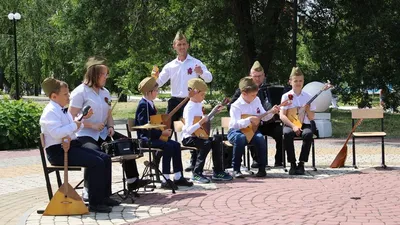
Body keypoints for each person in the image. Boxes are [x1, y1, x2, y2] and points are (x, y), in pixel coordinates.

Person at [69, 57, 149, 196]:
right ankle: (88, 190)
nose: (107, 77)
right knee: (94, 152)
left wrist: (110, 126)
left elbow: (109, 114)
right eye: (104, 74)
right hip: (84, 134)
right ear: (95, 74)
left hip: (103, 132)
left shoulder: (105, 92)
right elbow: (70, 118)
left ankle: (132, 180)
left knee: (126, 143)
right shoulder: (80, 92)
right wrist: (91, 125)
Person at [39, 77, 113, 213]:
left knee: (105, 158)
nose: (69, 96)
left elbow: (72, 127)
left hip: (70, 146)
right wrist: (75, 125)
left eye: (69, 93)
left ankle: (104, 196)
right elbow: (56, 133)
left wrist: (81, 119)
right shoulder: (50, 112)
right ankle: (95, 203)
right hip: (59, 152)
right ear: (54, 96)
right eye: (66, 94)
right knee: (96, 162)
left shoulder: (62, 109)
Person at [155, 31, 213, 172]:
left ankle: (194, 163)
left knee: (194, 130)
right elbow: (160, 82)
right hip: (175, 101)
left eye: (184, 44)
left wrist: (201, 73)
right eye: (179, 44)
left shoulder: (195, 63)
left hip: (191, 102)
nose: (181, 47)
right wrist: (153, 80)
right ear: (174, 46)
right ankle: (156, 161)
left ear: (188, 45)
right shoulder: (170, 65)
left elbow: (209, 78)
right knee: (165, 129)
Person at [135, 77, 193, 189]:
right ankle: (165, 178)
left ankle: (178, 176)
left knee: (175, 145)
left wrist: (162, 131)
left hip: (154, 137)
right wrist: (161, 133)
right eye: (156, 91)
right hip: (146, 139)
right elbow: (144, 127)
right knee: (168, 146)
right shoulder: (143, 105)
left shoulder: (150, 103)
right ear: (149, 92)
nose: (157, 93)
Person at [228, 61, 283, 168]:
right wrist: (248, 116)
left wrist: (273, 111)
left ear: (264, 76)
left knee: (280, 131)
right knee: (252, 133)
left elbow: (264, 113)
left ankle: (279, 161)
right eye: (255, 76)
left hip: (267, 122)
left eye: (260, 76)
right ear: (250, 76)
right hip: (249, 124)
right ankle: (257, 160)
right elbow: (231, 107)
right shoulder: (242, 91)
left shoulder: (266, 90)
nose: (257, 79)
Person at [181, 78, 233, 183]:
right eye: (202, 95)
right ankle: (196, 173)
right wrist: (200, 123)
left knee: (216, 140)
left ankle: (218, 171)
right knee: (206, 144)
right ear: (194, 93)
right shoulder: (189, 108)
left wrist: (213, 113)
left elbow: (203, 121)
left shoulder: (198, 105)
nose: (204, 97)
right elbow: (188, 130)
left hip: (199, 135)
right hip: (189, 137)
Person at [279, 67, 315, 175]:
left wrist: (308, 109)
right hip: (290, 123)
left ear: (303, 81)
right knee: (287, 134)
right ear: (290, 82)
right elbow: (282, 115)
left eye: (300, 81)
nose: (298, 83)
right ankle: (292, 163)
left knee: (308, 134)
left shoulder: (308, 97)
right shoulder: (286, 96)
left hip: (305, 123)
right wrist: (293, 126)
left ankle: (302, 163)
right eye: (295, 81)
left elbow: (312, 117)